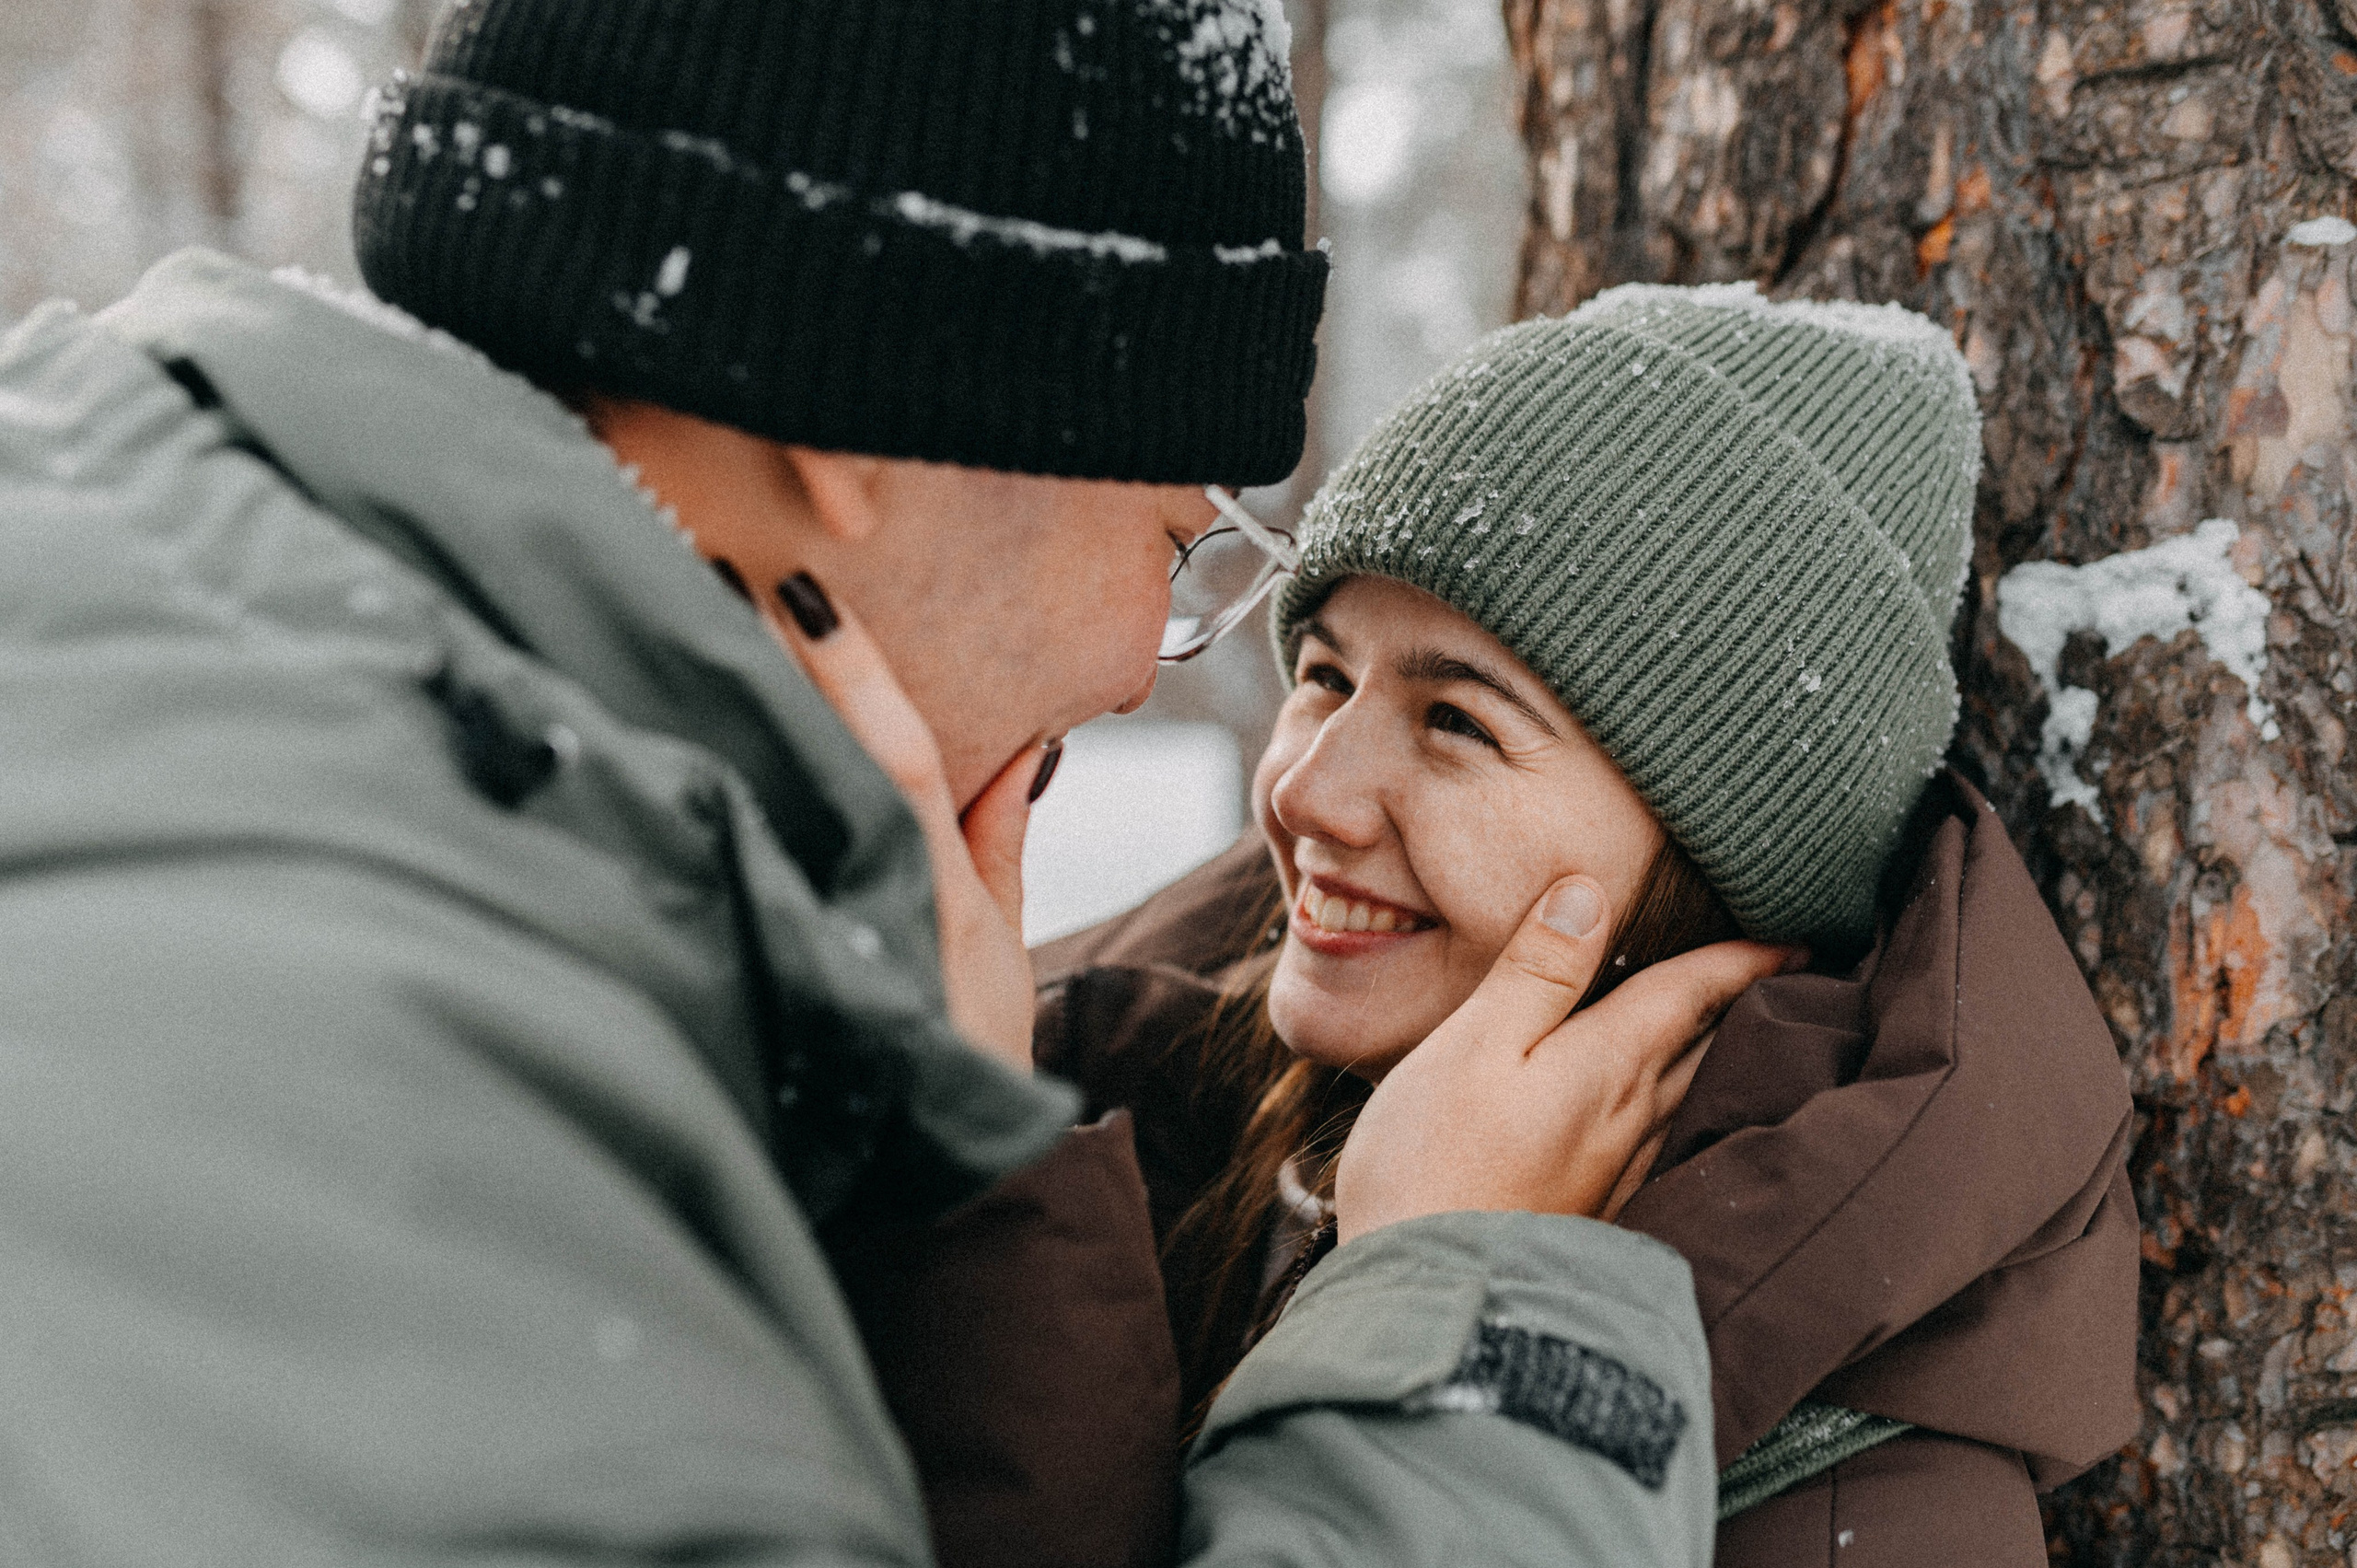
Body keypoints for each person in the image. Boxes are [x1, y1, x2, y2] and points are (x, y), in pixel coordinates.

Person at [0, 1, 1792, 1563]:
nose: (1132, 660)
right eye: (1164, 542)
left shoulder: (161, 655)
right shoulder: (406, 1126)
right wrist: (1476, 1343)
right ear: (864, 434)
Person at [1037, 285, 2142, 1565]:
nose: (1303, 791)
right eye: (1326, 677)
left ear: (1722, 877)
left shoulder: (1852, 1516)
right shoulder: (1136, 1107)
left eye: (1458, 723)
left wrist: (1439, 1287)